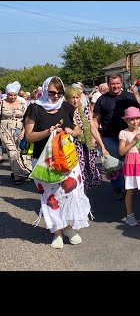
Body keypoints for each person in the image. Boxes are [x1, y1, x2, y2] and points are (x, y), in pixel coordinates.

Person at [24, 76, 90, 249]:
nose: (55, 96)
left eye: (59, 92)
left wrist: (70, 131)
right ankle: (57, 231)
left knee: (71, 193)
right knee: (52, 196)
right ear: (45, 90)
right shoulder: (35, 109)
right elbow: (29, 136)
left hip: (67, 158)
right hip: (45, 161)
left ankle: (69, 227)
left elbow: (77, 129)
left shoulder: (66, 106)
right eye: (52, 92)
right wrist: (47, 132)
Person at [91, 73, 139, 200]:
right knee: (113, 165)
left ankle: (130, 187)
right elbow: (95, 120)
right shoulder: (102, 99)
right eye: (112, 84)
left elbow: (138, 116)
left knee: (129, 162)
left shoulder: (129, 97)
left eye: (117, 83)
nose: (115, 86)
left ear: (121, 83)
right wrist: (94, 138)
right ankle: (117, 188)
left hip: (128, 136)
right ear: (108, 85)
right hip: (109, 137)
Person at [65, 86, 103, 191]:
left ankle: (82, 196)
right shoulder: (65, 111)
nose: (75, 100)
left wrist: (102, 146)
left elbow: (92, 128)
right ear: (67, 99)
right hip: (73, 146)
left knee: (88, 168)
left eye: (77, 97)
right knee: (78, 172)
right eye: (72, 98)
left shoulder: (85, 110)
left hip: (86, 145)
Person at [0, 81, 31, 184]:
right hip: (5, 130)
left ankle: (22, 171)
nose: (12, 97)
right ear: (7, 94)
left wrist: (24, 131)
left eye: (14, 95)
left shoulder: (22, 103)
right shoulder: (1, 103)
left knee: (20, 151)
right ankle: (17, 176)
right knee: (11, 151)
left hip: (19, 129)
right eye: (10, 95)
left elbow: (27, 118)